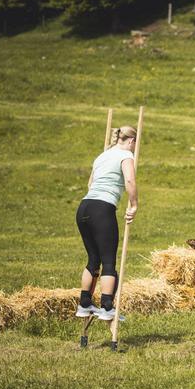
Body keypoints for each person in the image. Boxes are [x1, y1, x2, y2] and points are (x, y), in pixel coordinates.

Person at [75, 126, 138, 320]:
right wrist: (134, 205)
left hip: (84, 207)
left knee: (94, 259)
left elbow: (90, 184)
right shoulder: (126, 155)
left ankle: (84, 303)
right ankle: (107, 306)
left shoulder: (101, 156)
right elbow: (129, 180)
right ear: (131, 141)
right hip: (102, 209)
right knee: (109, 261)